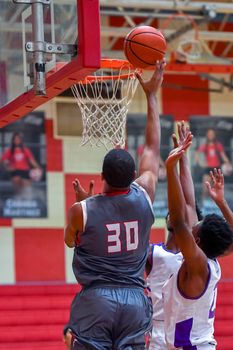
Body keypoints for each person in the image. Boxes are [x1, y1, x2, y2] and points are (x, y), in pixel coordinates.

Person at [64, 60, 166, 350]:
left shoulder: (81, 210)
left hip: (96, 300)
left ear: (102, 176)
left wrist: (84, 208)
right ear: (133, 177)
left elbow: (70, 242)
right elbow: (152, 148)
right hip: (134, 300)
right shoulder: (144, 193)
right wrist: (151, 95)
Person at [163, 131, 233, 350]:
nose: (193, 223)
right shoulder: (211, 261)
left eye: (196, 226)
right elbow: (190, 204)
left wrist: (169, 170)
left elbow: (179, 220)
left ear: (198, 239)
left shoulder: (198, 264)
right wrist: (221, 202)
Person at [146, 122, 203, 350]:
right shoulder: (152, 252)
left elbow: (188, 203)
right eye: (172, 210)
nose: (175, 212)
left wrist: (182, 161)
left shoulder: (196, 258)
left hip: (185, 331)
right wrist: (182, 156)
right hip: (157, 332)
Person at [194, 128, 232, 198]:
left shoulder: (218, 145)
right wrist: (199, 162)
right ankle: (203, 204)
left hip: (216, 168)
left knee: (215, 188)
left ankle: (214, 205)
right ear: (207, 135)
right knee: (205, 188)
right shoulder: (205, 146)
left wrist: (228, 163)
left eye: (212, 134)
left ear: (214, 135)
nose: (210, 135)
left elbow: (223, 156)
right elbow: (197, 152)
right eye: (209, 134)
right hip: (208, 168)